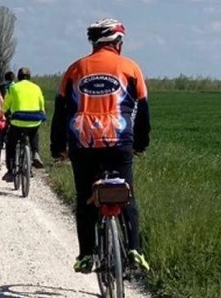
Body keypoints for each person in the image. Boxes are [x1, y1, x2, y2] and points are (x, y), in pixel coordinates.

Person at [50, 19, 151, 274]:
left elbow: (61, 111)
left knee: (86, 198)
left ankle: (86, 255)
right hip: (119, 141)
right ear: (117, 43)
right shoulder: (130, 67)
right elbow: (144, 111)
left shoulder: (76, 68)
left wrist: (57, 147)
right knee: (126, 194)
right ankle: (134, 251)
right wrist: (140, 144)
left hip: (82, 143)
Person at [1, 67, 47, 181]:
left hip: (18, 120)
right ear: (29, 77)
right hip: (35, 119)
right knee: (34, 133)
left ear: (19, 77)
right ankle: (35, 153)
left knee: (10, 143)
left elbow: (6, 104)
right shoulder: (37, 88)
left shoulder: (13, 88)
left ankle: (11, 171)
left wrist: (1, 112)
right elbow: (41, 104)